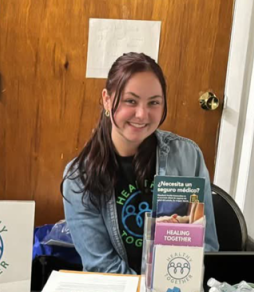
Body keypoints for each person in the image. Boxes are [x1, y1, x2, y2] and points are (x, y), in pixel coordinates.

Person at [61, 53, 219, 275]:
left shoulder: (186, 156)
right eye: (130, 101)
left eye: (154, 102)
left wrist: (171, 289)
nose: (142, 114)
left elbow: (205, 244)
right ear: (107, 100)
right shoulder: (79, 177)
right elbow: (101, 265)